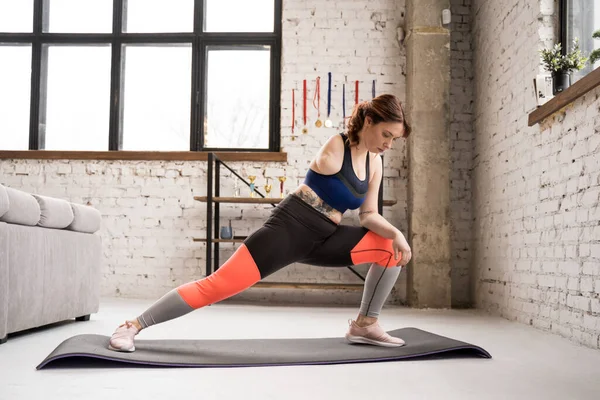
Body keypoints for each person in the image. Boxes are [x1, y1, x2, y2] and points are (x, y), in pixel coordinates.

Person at [108, 93, 412, 352]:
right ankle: (132, 325)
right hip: (289, 230)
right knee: (215, 286)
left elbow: (368, 215)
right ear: (369, 122)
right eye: (386, 135)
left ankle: (365, 325)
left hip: (326, 237)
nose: (388, 144)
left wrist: (396, 234)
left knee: (389, 248)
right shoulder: (336, 146)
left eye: (394, 140)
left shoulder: (375, 163)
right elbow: (323, 176)